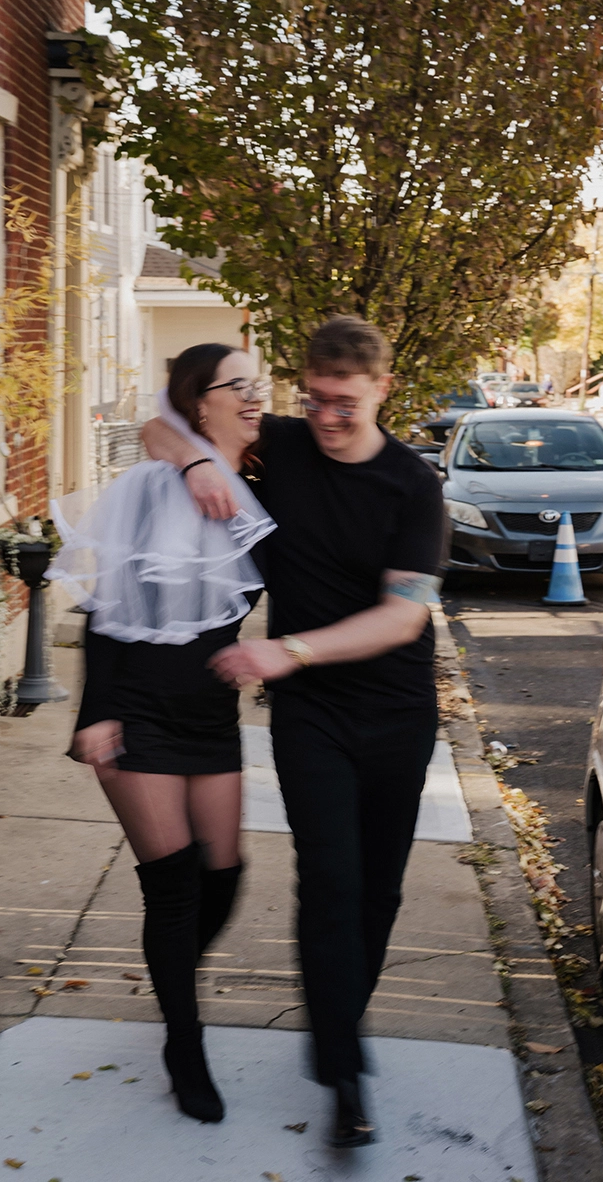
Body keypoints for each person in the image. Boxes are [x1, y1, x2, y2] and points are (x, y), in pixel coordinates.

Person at [144, 316, 446, 1147]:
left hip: (395, 713)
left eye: (343, 402)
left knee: (378, 890)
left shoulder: (413, 486)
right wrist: (201, 458)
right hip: (312, 713)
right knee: (331, 881)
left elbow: (402, 616)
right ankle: (344, 1079)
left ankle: (339, 1027)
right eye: (312, 399)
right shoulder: (283, 443)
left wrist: (290, 649)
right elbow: (158, 423)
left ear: (381, 387)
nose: (326, 417)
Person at [52, 344, 274, 1125]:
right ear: (199, 400)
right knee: (173, 885)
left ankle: (172, 976)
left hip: (211, 713)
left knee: (225, 874)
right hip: (136, 708)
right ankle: (186, 1043)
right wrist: (95, 712)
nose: (255, 397)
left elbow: (159, 424)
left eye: (259, 384)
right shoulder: (149, 488)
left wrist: (198, 457)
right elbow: (106, 608)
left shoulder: (256, 475)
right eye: (237, 386)